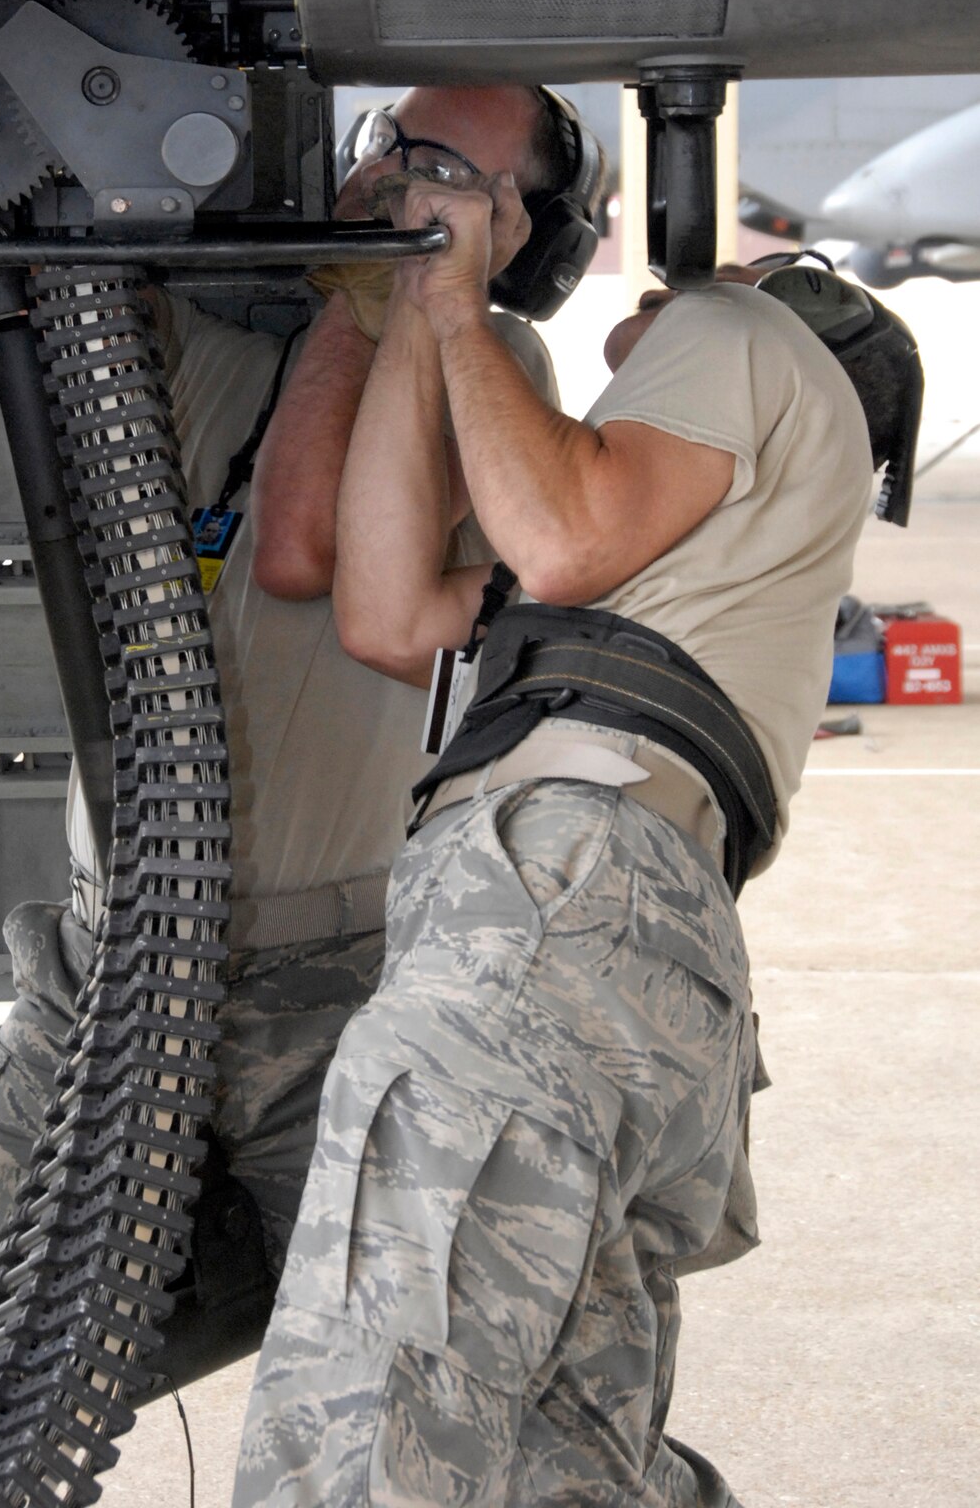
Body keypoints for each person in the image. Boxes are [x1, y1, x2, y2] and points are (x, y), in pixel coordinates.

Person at [0, 84, 582, 1482]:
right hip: (112, 965)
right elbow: (52, 288)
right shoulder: (221, 362)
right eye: (387, 147)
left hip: (338, 995)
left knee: (412, 1374)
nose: (391, 182)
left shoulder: (487, 366)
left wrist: (376, 300)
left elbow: (303, 545)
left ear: (520, 230)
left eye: (444, 168)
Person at [235, 174, 910, 1506]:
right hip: (627, 945)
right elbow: (383, 605)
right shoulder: (698, 555)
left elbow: (555, 542)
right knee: (568, 1466)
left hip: (559, 903)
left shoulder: (749, 336)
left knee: (368, 1418)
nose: (669, 299)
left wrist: (454, 297)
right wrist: (423, 319)